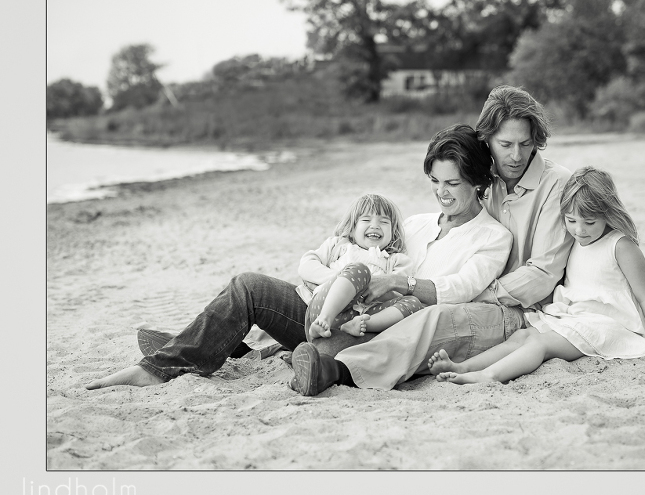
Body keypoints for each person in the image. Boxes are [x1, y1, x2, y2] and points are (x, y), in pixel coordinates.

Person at [85, 124, 512, 390]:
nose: (441, 193)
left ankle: (199, 350)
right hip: (335, 310)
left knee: (290, 322)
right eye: (435, 181)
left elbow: (462, 289)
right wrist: (332, 276)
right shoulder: (417, 223)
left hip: (377, 331)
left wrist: (397, 284)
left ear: (477, 183)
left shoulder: (492, 237)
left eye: (452, 184)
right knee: (249, 285)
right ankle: (180, 357)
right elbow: (358, 247)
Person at [289, 85, 575, 395]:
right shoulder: (477, 184)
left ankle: (332, 369)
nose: (516, 155)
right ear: (487, 142)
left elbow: (542, 273)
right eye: (505, 144)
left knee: (431, 316)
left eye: (526, 143)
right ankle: (297, 347)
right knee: (253, 289)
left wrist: (476, 293)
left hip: (508, 307)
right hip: (404, 307)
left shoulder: (550, 187)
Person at [428, 166, 645, 385]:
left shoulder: (621, 246)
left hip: (608, 326)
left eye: (589, 223)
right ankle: (464, 367)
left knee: (541, 345)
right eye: (571, 220)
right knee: (523, 336)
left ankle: (490, 375)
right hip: (574, 317)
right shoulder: (575, 240)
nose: (579, 230)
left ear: (607, 213)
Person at [299, 193, 421, 341]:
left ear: (393, 232)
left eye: (383, 222)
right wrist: (343, 280)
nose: (375, 225)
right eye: (366, 219)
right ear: (352, 228)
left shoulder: (397, 260)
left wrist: (366, 289)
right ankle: (324, 320)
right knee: (359, 270)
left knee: (414, 303)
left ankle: (363, 325)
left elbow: (396, 292)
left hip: (365, 313)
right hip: (325, 307)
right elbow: (306, 265)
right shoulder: (339, 245)